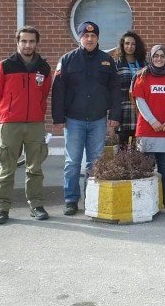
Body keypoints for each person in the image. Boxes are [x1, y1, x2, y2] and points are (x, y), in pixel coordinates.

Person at [52, 21, 121, 216]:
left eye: (93, 36)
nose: (89, 39)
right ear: (80, 37)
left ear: (98, 38)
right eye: (86, 36)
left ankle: (91, 197)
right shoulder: (67, 60)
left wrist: (114, 116)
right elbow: (58, 90)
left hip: (99, 119)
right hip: (74, 119)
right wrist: (58, 118)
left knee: (95, 162)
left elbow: (115, 90)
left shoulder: (107, 60)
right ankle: (71, 199)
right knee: (72, 162)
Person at [0, 26, 52, 225]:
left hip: (34, 124)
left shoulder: (43, 67)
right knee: (7, 168)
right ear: (17, 42)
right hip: (10, 124)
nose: (27, 45)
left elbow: (44, 93)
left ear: (36, 43)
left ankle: (36, 205)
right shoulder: (5, 65)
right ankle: (2, 209)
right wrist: (7, 111)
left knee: (35, 168)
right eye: (23, 41)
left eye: (31, 41)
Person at [132, 45, 165, 208]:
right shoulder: (142, 76)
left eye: (162, 56)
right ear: (151, 57)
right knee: (146, 166)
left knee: (164, 167)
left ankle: (164, 196)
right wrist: (153, 121)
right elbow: (140, 101)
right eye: (156, 56)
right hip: (147, 129)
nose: (159, 59)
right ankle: (147, 197)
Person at [115, 31, 146, 148]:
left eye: (133, 44)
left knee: (138, 149)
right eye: (127, 43)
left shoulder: (144, 64)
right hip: (124, 111)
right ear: (122, 45)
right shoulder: (117, 65)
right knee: (122, 149)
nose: (130, 47)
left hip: (141, 111)